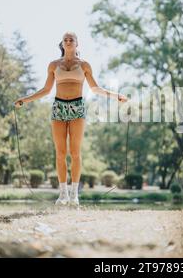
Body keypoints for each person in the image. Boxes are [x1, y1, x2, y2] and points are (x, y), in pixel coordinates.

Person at [14, 32, 127, 207]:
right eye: (65, 40)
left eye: (71, 40)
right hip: (58, 107)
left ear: (77, 44)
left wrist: (115, 95)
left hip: (77, 107)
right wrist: (24, 100)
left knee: (75, 152)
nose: (68, 42)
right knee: (60, 153)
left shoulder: (84, 65)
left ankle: (74, 194)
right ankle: (63, 194)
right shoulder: (53, 65)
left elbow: (95, 88)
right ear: (62, 43)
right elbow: (45, 90)